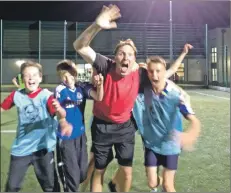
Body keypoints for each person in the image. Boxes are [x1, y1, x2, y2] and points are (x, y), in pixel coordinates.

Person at [73, 4, 190, 192]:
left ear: (134, 59)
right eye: (121, 53)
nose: (125, 57)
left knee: (126, 172)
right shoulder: (105, 65)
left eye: (130, 54)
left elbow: (164, 75)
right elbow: (79, 46)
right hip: (102, 126)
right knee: (99, 171)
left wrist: (181, 93)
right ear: (115, 57)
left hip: (126, 128)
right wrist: (97, 25)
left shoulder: (141, 73)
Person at [1, 61, 72, 192]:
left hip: (43, 149)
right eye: (27, 75)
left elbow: (60, 113)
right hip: (21, 149)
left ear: (40, 78)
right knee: (11, 187)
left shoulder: (47, 96)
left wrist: (63, 120)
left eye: (34, 75)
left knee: (51, 187)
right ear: (22, 79)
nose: (31, 78)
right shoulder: (16, 95)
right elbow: (2, 107)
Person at [132, 56, 201, 192]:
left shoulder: (174, 95)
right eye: (151, 71)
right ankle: (158, 184)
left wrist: (191, 133)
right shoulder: (144, 91)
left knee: (168, 186)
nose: (155, 75)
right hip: (151, 144)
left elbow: (194, 120)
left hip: (171, 145)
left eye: (158, 71)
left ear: (165, 72)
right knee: (152, 183)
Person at [54, 60, 104, 192]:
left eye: (70, 75)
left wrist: (99, 86)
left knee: (82, 174)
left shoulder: (81, 87)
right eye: (64, 75)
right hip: (66, 139)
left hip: (81, 136)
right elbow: (58, 110)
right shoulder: (60, 90)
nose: (67, 78)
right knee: (72, 180)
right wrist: (63, 120)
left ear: (75, 75)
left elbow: (98, 97)